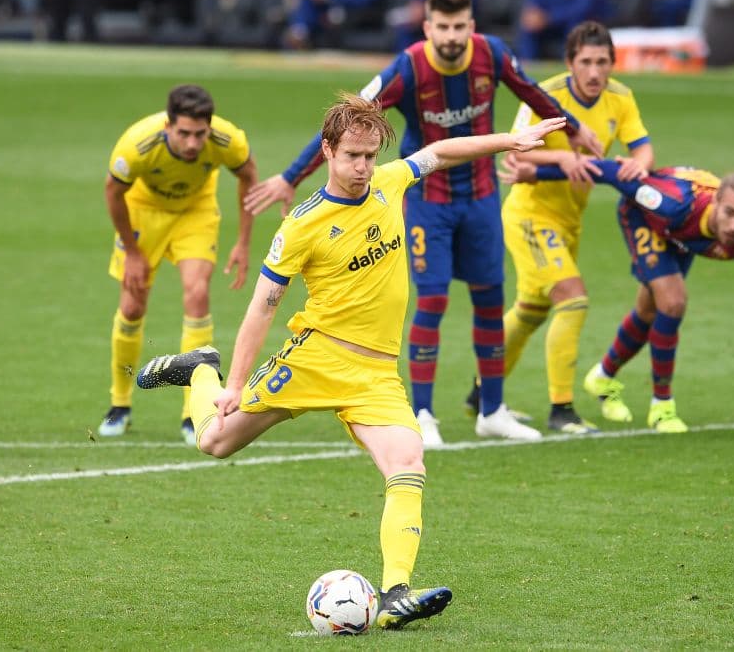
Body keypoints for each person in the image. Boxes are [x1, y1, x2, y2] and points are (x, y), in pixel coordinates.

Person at [135, 93, 567, 629]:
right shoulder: (301, 224)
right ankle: (202, 368)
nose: (363, 167)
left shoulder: (389, 182)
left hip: (376, 375)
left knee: (408, 461)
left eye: (369, 155)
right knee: (214, 442)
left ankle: (393, 596)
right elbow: (262, 308)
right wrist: (234, 382)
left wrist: (510, 139)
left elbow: (441, 150)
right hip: (315, 359)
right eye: (352, 156)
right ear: (328, 152)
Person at [245, 0, 603, 447]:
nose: (452, 36)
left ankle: (492, 410)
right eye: (443, 27)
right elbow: (346, 123)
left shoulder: (492, 54)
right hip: (426, 202)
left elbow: (532, 93)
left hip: (479, 197)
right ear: (427, 27)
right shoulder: (409, 66)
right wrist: (292, 177)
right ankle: (425, 413)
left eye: (460, 26)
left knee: (491, 300)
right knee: (431, 301)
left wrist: (572, 129)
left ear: (471, 26)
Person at [502, 162, 734, 431]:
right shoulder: (671, 204)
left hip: (680, 236)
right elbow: (611, 172)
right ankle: (662, 405)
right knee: (673, 301)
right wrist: (538, 172)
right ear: (715, 203)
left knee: (650, 310)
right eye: (729, 212)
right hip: (644, 216)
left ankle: (602, 376)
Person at [473, 20, 652, 435]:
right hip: (529, 218)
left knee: (531, 312)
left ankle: (483, 394)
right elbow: (515, 156)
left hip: (570, 221)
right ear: (570, 63)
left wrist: (637, 165)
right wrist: (561, 159)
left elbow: (642, 149)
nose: (595, 72)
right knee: (573, 298)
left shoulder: (620, 98)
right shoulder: (546, 96)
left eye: (602, 62)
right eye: (586, 62)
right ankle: (562, 409)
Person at [99, 84, 258, 445]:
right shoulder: (137, 144)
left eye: (199, 134)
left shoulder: (227, 139)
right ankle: (120, 404)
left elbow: (249, 176)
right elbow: (113, 191)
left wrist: (244, 242)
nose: (191, 143)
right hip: (144, 212)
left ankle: (193, 412)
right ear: (168, 125)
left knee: (198, 293)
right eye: (183, 133)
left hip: (195, 213)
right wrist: (134, 253)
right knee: (132, 305)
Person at [515, 0, 607, 62]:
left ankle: (571, 62)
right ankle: (526, 66)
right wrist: (534, 14)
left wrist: (550, 18)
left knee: (575, 24)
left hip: (577, 22)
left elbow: (584, 7)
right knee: (530, 24)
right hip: (551, 24)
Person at [283, 0, 383, 50]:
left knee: (334, 14)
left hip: (354, 10)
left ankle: (300, 34)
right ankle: (299, 33)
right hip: (327, 7)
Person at [387, 0, 475, 51]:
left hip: (450, 17)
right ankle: (407, 62)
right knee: (403, 30)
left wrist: (430, 10)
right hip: (422, 21)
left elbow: (467, 2)